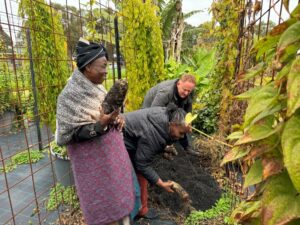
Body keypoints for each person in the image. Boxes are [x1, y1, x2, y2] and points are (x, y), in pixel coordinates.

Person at [55, 38, 137, 225]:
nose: (106, 71)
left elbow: (104, 112)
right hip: (92, 166)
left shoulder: (96, 87)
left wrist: (117, 119)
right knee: (101, 206)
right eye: (103, 66)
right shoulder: (69, 97)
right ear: (87, 68)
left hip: (111, 159)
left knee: (118, 198)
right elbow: (68, 135)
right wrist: (100, 125)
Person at [122, 105, 190, 220]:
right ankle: (129, 214)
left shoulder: (166, 116)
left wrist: (163, 148)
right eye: (181, 133)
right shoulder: (154, 133)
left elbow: (150, 141)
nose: (181, 137)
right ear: (173, 124)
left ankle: (142, 209)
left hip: (132, 139)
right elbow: (142, 163)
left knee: (141, 174)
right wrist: (161, 184)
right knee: (131, 178)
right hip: (119, 141)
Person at [142, 74, 199, 156]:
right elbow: (154, 113)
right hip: (152, 105)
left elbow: (188, 110)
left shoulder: (189, 91)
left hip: (172, 103)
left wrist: (188, 122)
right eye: (184, 90)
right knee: (160, 123)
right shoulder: (166, 92)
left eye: (189, 91)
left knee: (183, 122)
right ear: (179, 84)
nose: (186, 93)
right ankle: (161, 147)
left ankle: (187, 147)